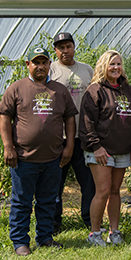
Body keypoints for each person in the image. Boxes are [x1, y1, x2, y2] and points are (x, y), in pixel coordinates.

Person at [0, 47, 78, 255]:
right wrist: (8, 146)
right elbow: (5, 117)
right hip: (23, 159)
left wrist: (69, 145)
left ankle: (44, 237)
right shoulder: (16, 88)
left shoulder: (59, 90)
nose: (40, 66)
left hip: (52, 158)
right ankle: (20, 241)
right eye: (36, 62)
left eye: (44, 62)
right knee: (21, 201)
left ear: (49, 64)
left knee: (48, 200)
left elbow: (69, 117)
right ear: (28, 65)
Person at [80, 50, 131, 246]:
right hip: (101, 150)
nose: (115, 68)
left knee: (115, 191)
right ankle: (94, 233)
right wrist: (96, 147)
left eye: (118, 64)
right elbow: (87, 122)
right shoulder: (95, 90)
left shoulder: (127, 90)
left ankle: (115, 231)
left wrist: (130, 145)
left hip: (121, 149)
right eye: (111, 64)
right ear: (103, 66)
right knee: (103, 191)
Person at [49, 32, 95, 233]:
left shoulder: (86, 70)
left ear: (74, 47)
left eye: (68, 46)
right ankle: (54, 222)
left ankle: (89, 219)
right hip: (58, 138)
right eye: (60, 48)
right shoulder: (50, 70)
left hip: (83, 136)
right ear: (55, 51)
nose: (65, 51)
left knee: (88, 182)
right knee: (55, 183)